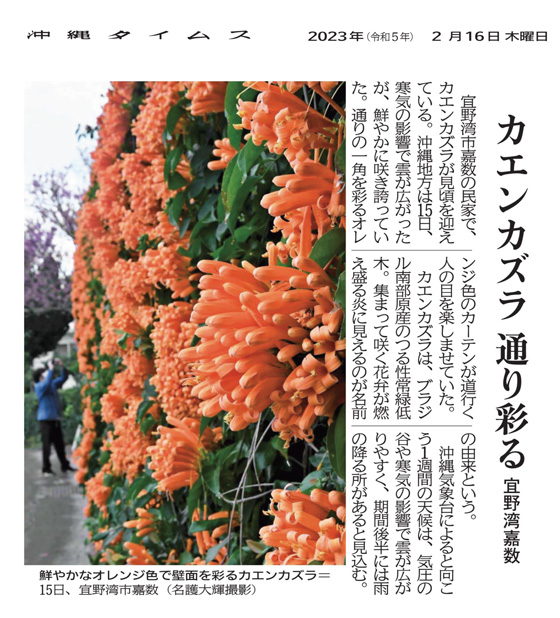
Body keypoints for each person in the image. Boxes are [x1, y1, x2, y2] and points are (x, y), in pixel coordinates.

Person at [33, 357, 76, 475]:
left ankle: (65, 465)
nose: (46, 374)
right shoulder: (38, 386)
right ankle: (46, 469)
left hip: (55, 419)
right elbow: (46, 383)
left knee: (60, 444)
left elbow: (63, 378)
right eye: (44, 374)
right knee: (46, 446)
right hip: (45, 421)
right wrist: (51, 369)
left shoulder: (51, 384)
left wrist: (62, 366)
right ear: (39, 377)